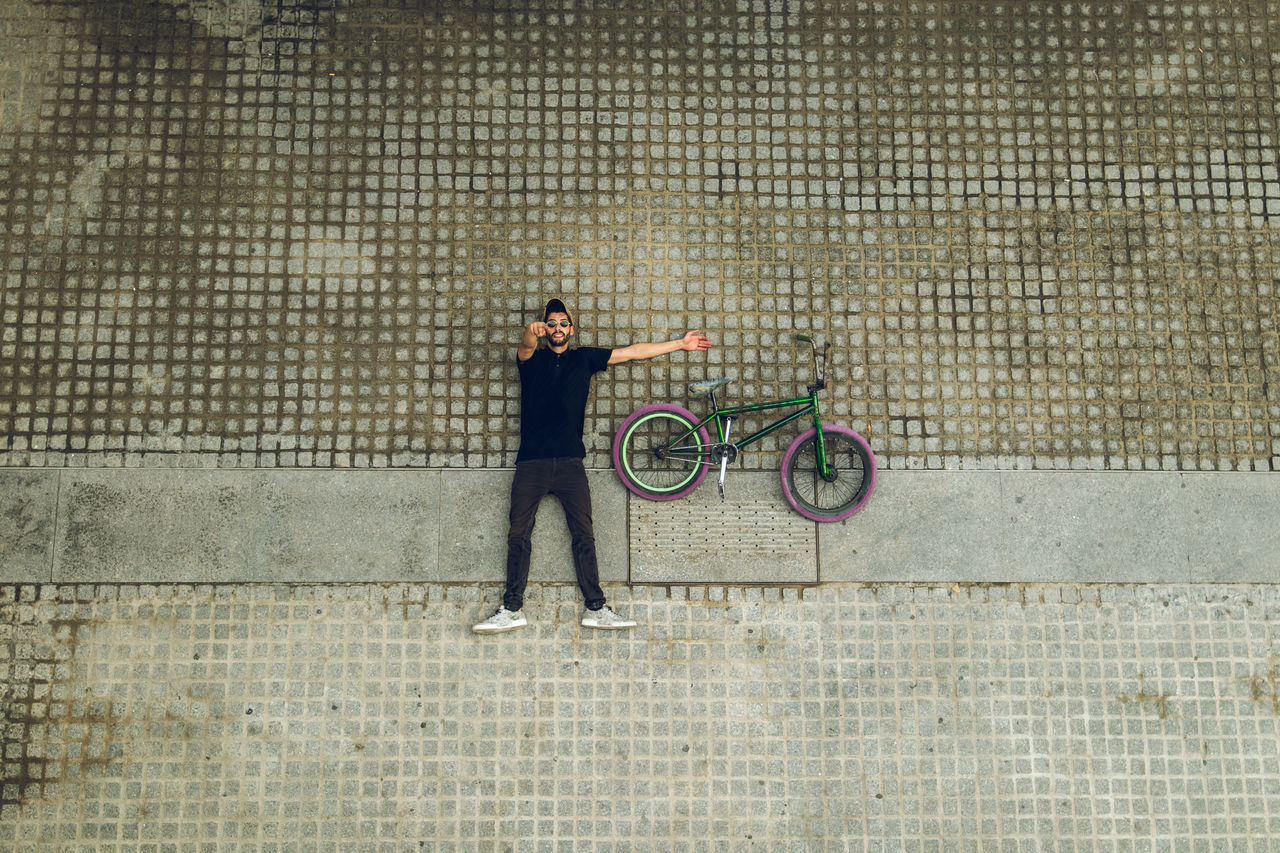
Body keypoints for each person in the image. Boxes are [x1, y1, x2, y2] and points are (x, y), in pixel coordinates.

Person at [473, 297, 713, 634]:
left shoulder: (584, 359)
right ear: (545, 329)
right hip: (531, 464)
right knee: (518, 534)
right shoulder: (531, 360)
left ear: (571, 328)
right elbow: (525, 346)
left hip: (572, 464)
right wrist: (530, 332)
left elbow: (632, 352)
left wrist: (680, 343)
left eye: (563, 323)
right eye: (551, 323)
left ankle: (596, 608)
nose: (557, 328)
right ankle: (512, 608)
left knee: (584, 535)